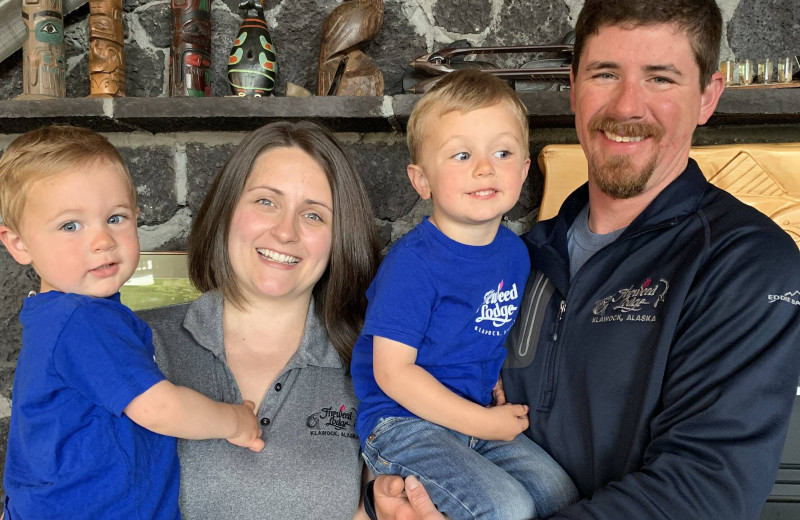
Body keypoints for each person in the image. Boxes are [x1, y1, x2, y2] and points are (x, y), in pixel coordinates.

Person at [369, 0, 800, 519]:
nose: (626, 106)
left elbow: (705, 494)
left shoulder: (747, 263)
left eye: (661, 78)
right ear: (573, 87)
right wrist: (387, 502)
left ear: (708, 97)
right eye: (605, 73)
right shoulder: (524, 255)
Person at [0, 125, 264, 520]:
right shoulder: (80, 320)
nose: (102, 240)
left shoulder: (64, 315)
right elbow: (159, 407)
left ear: (137, 216)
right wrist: (235, 421)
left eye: (115, 218)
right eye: (70, 226)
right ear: (19, 244)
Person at [350, 69, 577, 520]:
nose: (484, 167)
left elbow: (479, 332)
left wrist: (490, 381)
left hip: (471, 417)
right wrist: (484, 423)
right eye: (461, 154)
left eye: (503, 151)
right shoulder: (413, 264)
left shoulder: (515, 254)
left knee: (558, 495)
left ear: (525, 168)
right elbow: (393, 373)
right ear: (422, 181)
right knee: (508, 508)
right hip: (402, 425)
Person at [138, 121, 381, 519]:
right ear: (227, 210)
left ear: (340, 238)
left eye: (314, 215)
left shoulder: (372, 364)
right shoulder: (137, 342)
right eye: (266, 202)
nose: (286, 231)